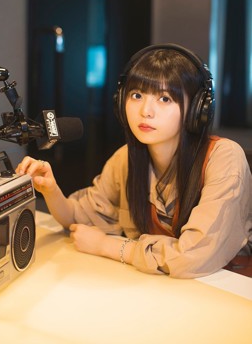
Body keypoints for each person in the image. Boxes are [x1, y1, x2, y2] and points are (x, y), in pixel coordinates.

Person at [16, 43, 252, 278]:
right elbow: (78, 219)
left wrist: (108, 246)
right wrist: (50, 189)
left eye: (165, 98)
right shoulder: (126, 158)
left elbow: (192, 257)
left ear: (197, 109)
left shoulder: (224, 158)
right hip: (162, 288)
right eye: (137, 95)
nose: (146, 111)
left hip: (224, 285)